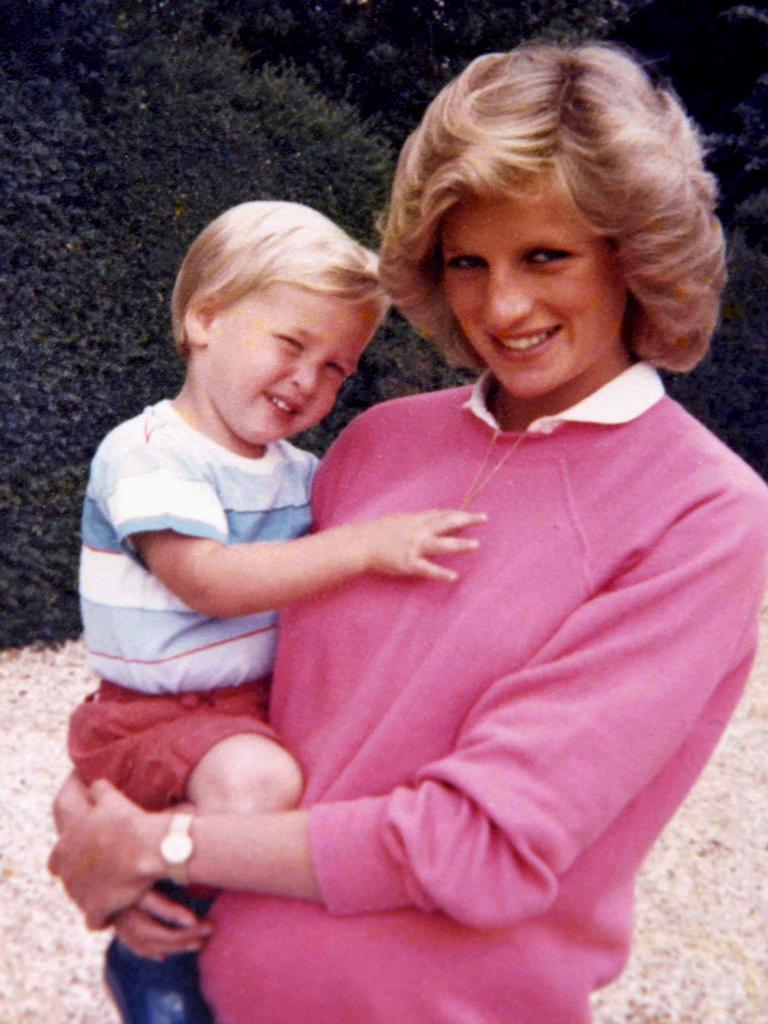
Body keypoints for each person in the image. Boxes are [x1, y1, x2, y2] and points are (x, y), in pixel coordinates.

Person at [50, 42, 768, 1024]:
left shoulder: (705, 512)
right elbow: (208, 671)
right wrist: (96, 812)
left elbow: (480, 844)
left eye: (544, 255)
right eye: (468, 262)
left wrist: (162, 847)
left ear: (634, 254)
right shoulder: (377, 443)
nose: (501, 306)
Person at [64, 199, 483, 1022]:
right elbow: (209, 582)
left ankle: (234, 932)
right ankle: (152, 944)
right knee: (261, 781)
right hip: (150, 717)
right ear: (205, 318)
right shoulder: (151, 454)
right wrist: (368, 546)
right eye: (292, 344)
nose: (308, 380)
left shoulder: (298, 474)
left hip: (240, 710)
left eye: (337, 368)